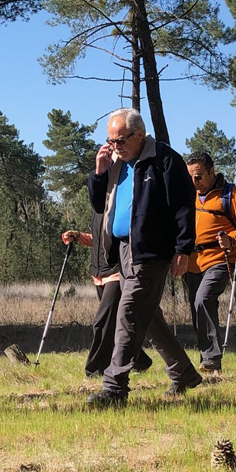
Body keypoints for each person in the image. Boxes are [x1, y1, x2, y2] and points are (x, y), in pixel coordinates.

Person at [86, 108, 202, 405]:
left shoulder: (165, 160)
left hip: (151, 252)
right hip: (122, 249)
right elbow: (100, 205)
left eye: (121, 140)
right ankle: (184, 373)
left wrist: (183, 249)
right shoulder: (114, 162)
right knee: (148, 318)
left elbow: (183, 208)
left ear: (140, 134)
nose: (115, 146)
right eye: (111, 140)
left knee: (128, 314)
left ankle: (114, 388)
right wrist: (99, 172)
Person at [183, 151, 236, 373]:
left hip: (220, 259)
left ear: (211, 171)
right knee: (197, 307)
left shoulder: (231, 194)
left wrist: (231, 239)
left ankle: (212, 358)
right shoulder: (188, 194)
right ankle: (207, 357)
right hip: (192, 261)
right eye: (191, 178)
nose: (195, 182)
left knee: (203, 299)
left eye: (199, 176)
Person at [61, 212, 153, 377]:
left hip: (117, 273)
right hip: (99, 275)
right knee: (117, 323)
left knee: (102, 322)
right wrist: (78, 236)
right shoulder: (97, 212)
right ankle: (140, 361)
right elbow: (98, 241)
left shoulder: (120, 208)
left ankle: (96, 369)